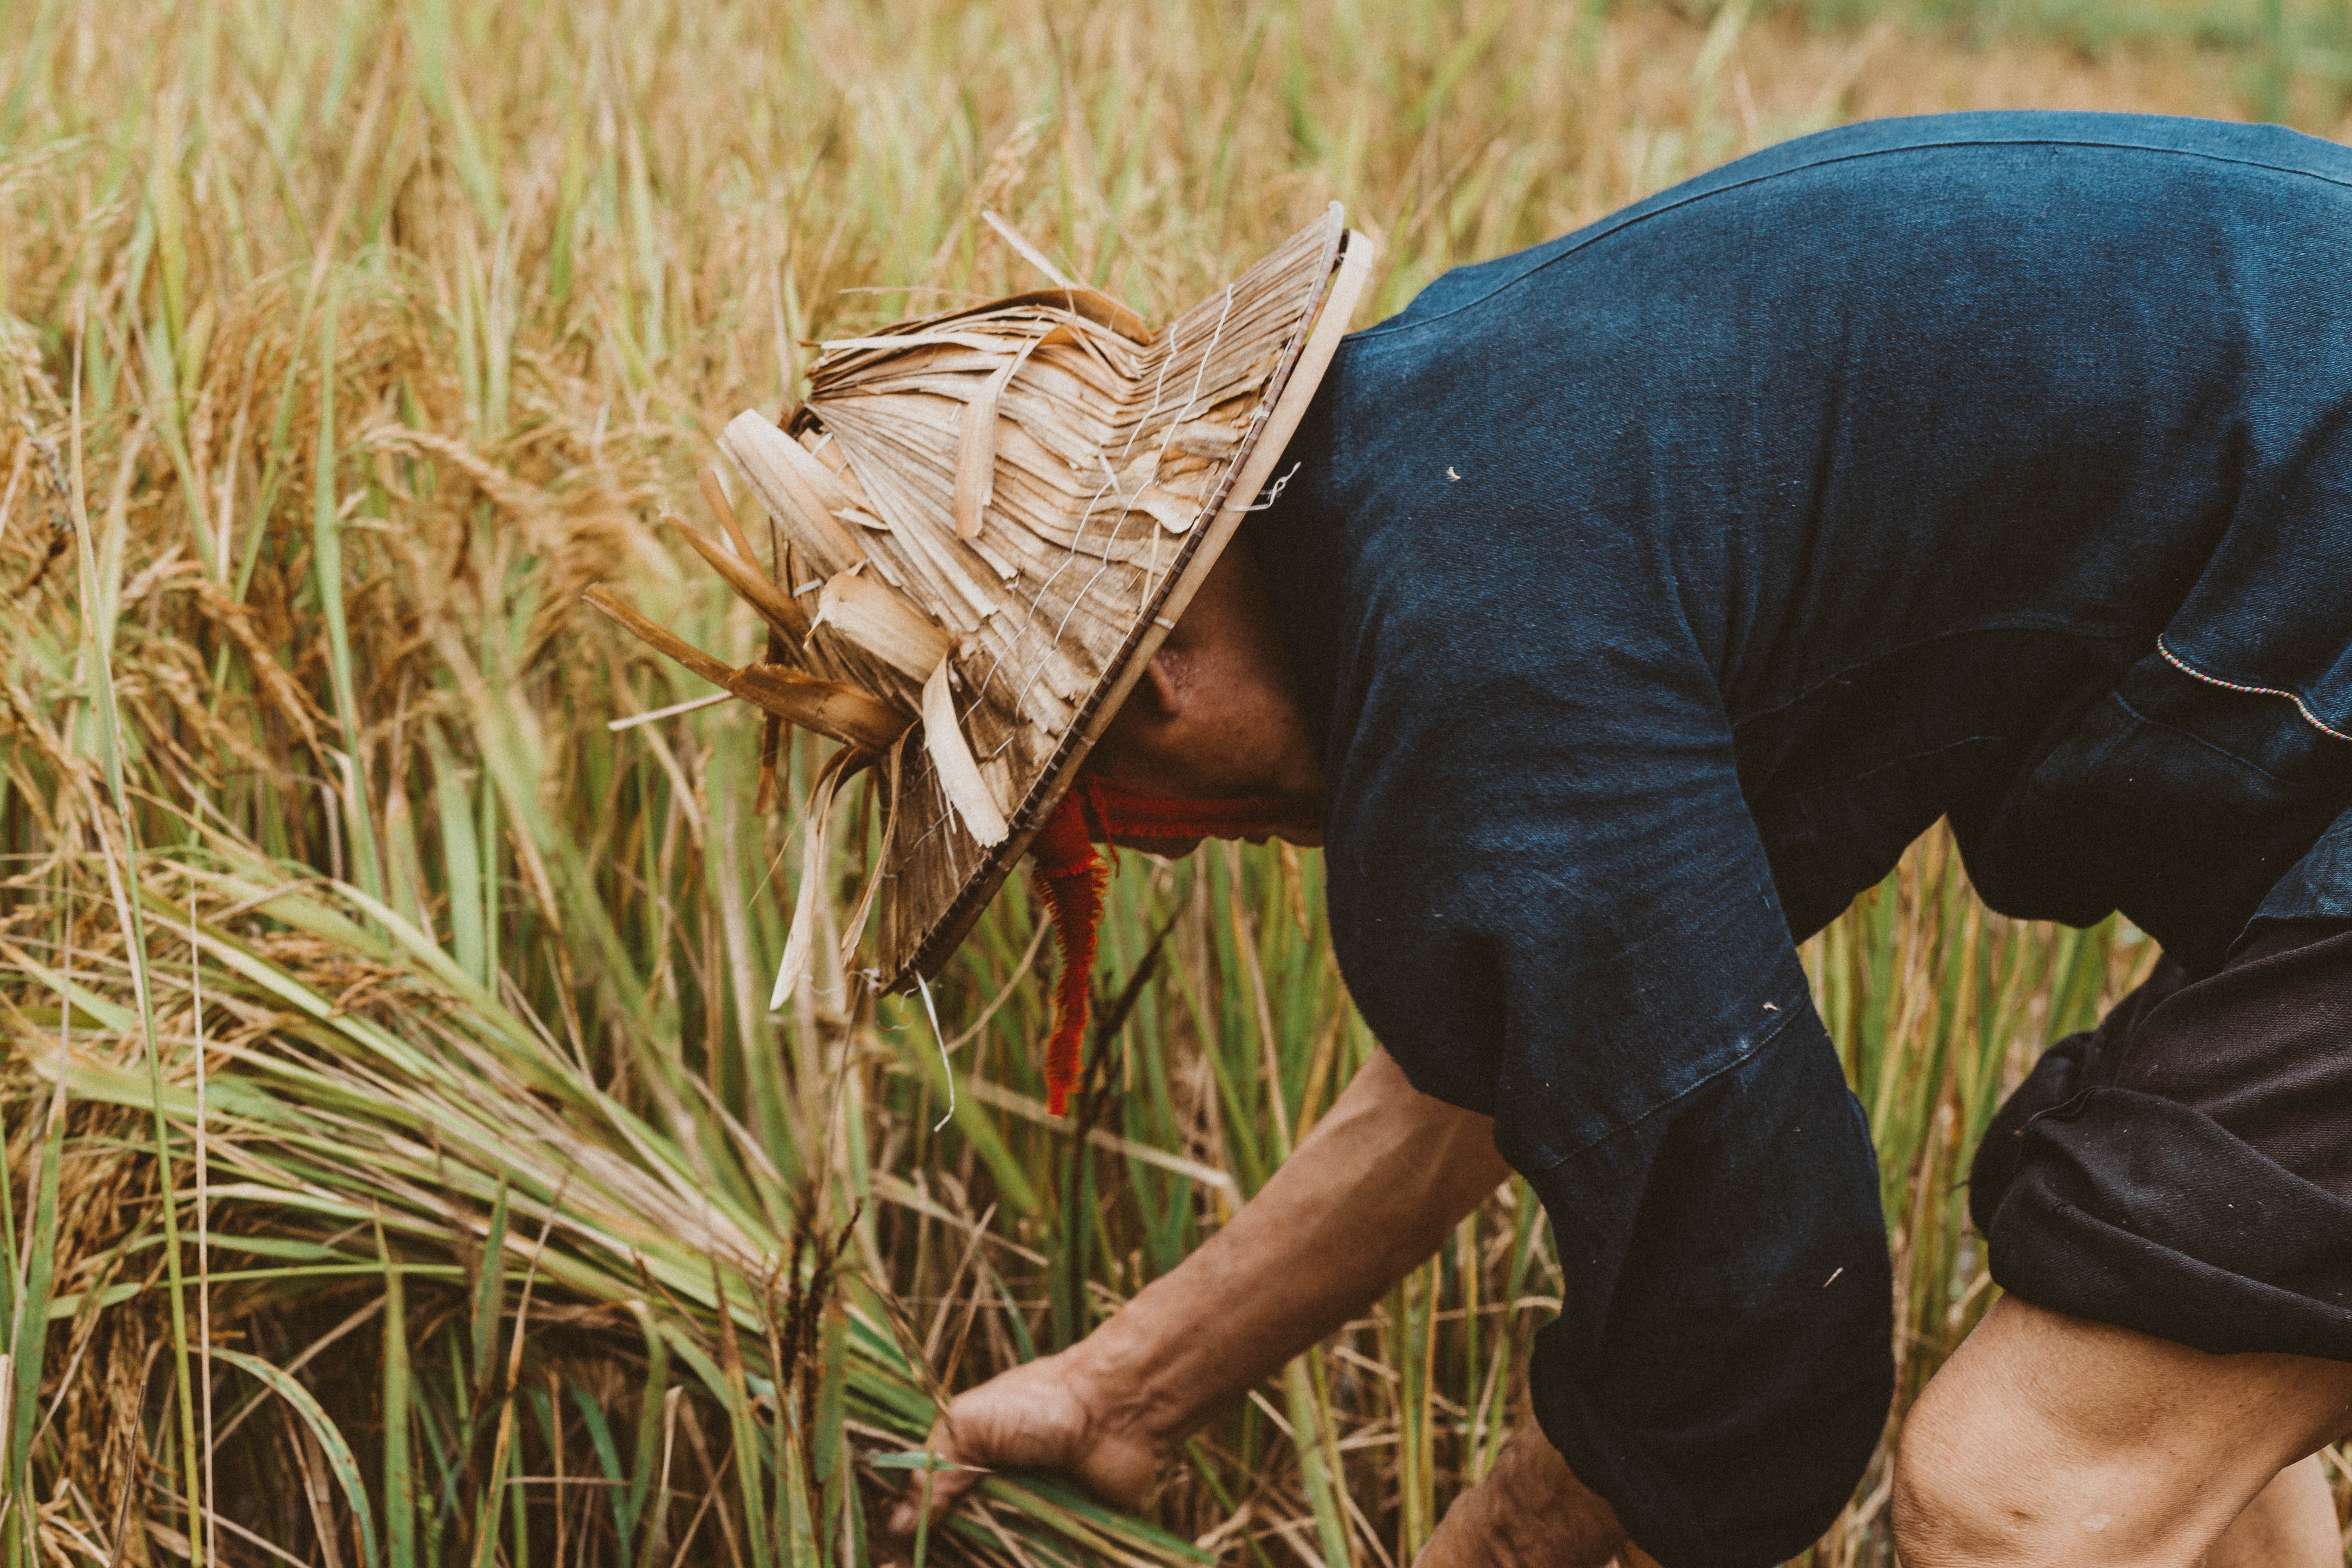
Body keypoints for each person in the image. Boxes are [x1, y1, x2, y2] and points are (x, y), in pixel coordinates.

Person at [621, 109, 2352, 1568]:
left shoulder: (1481, 649)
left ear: (1142, 693)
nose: (1155, 858)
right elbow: (1529, 1048)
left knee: (2023, 1492)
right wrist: (1127, 1388)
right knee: (2198, 1387)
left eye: (1096, 821)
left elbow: (1749, 1314)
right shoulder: (1460, 451)